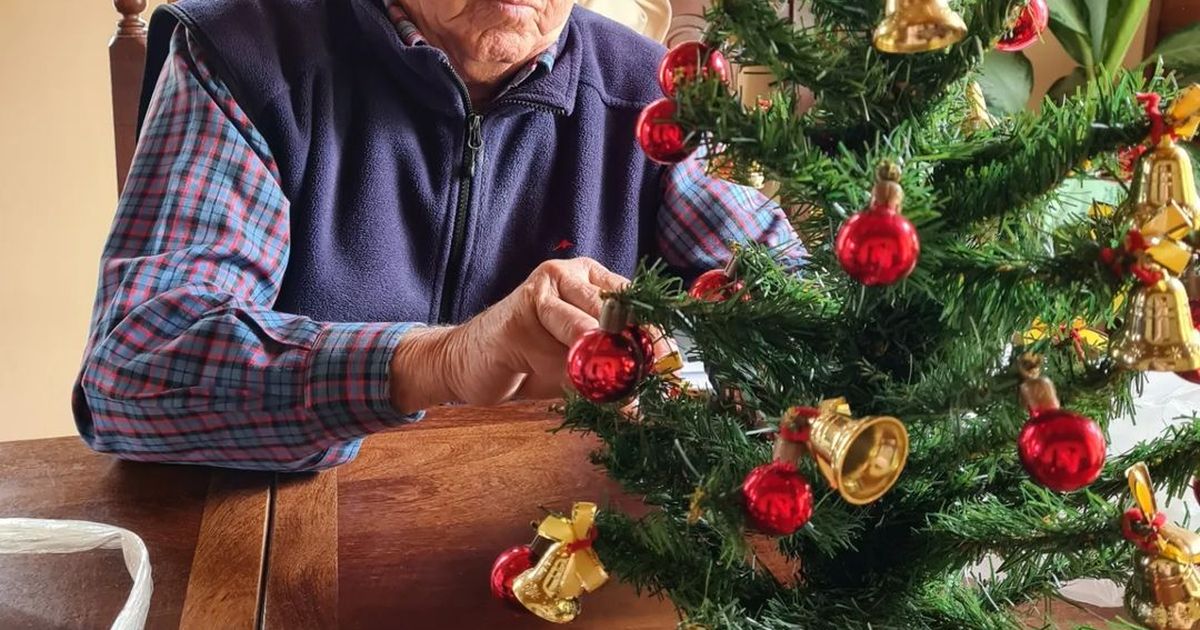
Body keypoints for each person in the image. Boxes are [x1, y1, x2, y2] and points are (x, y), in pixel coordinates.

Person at [73, 0, 801, 471]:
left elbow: (800, 309)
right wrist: (441, 361)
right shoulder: (245, 54)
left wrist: (702, 360)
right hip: (287, 544)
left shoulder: (647, 93)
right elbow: (131, 370)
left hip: (564, 534)